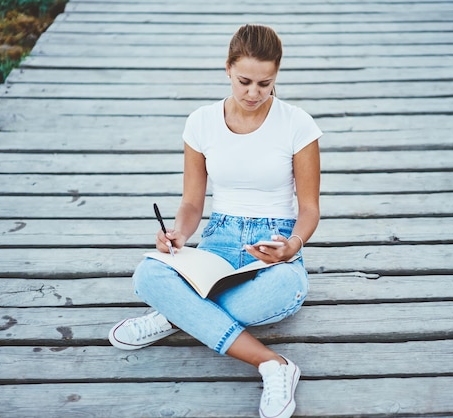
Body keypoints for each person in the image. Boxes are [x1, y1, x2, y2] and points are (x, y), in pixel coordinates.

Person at [108, 24, 322, 418]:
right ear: (227, 68)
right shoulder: (202, 122)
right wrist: (179, 234)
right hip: (217, 240)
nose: (254, 93)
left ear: (276, 75)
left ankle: (177, 313)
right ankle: (273, 363)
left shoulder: (298, 124)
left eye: (265, 83)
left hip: (274, 244)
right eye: (245, 81)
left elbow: (309, 209)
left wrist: (292, 245)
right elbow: (192, 202)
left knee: (274, 292)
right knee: (147, 276)